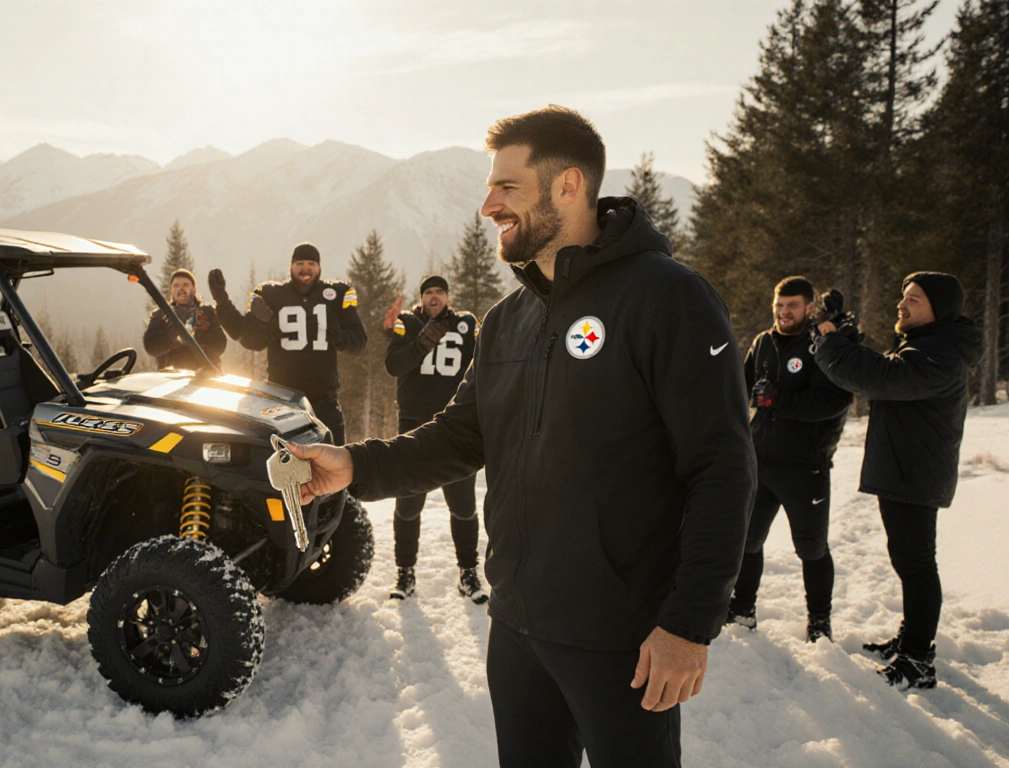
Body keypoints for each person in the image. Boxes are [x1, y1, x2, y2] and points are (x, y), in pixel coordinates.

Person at [284, 105, 755, 768]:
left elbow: (724, 468)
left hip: (622, 639)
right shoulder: (508, 320)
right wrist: (354, 465)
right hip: (517, 631)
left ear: (567, 185)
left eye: (506, 188)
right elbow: (459, 436)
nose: (488, 206)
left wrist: (688, 624)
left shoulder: (667, 297)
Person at [813, 271, 983, 690]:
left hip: (916, 472)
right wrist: (848, 339)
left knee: (917, 564)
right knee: (909, 561)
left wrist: (832, 342)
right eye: (902, 296)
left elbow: (883, 378)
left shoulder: (940, 353)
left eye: (914, 299)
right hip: (908, 469)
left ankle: (919, 660)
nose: (901, 305)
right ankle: (912, 641)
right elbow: (886, 369)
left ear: (938, 310)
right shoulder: (928, 346)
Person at [727, 276, 852, 642]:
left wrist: (778, 399)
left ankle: (819, 620)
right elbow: (743, 387)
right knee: (747, 541)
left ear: (809, 308)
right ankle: (743, 609)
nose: (784, 313)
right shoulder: (764, 342)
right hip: (761, 461)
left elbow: (835, 401)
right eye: (779, 306)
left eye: (792, 306)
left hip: (805, 466)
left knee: (811, 548)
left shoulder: (821, 345)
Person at [382, 275, 484, 603]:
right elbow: (393, 365)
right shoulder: (408, 323)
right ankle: (405, 571)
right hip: (414, 426)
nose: (434, 297)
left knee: (463, 505)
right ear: (421, 297)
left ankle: (468, 573)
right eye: (428, 292)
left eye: (440, 291)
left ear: (448, 296)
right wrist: (423, 342)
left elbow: (484, 362)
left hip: (457, 427)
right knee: (409, 505)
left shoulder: (466, 323)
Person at [208, 244, 366, 444]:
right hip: (281, 402)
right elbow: (248, 339)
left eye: (311, 264)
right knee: (284, 468)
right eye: (300, 263)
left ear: (319, 268)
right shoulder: (271, 294)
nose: (305, 268)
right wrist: (224, 303)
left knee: (334, 466)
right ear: (291, 267)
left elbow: (358, 343)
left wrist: (337, 334)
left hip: (324, 401)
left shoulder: (337, 294)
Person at [141, 268, 227, 371]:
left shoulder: (208, 313)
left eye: (185, 285)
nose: (181, 289)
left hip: (204, 378)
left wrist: (196, 332)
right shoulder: (161, 314)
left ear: (194, 289)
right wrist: (171, 335)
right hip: (170, 379)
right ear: (171, 290)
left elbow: (220, 344)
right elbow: (150, 346)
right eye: (176, 285)